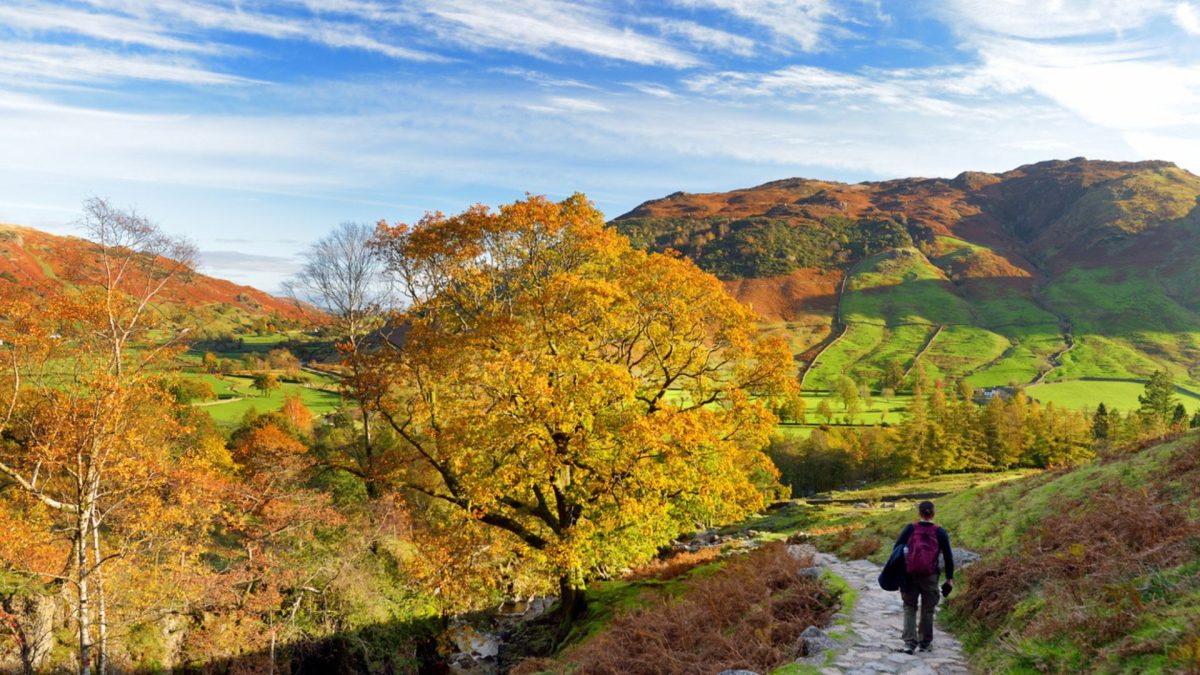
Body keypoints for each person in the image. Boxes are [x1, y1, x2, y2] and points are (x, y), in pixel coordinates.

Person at [894, 500, 954, 654]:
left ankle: (909, 644)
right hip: (930, 575)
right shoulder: (940, 531)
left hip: (910, 574)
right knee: (928, 609)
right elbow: (948, 556)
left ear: (919, 513)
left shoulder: (910, 528)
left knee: (909, 607)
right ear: (933, 513)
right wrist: (949, 578)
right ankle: (925, 643)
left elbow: (897, 550)